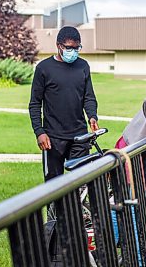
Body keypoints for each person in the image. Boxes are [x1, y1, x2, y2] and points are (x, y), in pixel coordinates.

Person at [29, 26, 99, 181]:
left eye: (77, 48)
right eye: (69, 48)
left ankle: (75, 207)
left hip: (79, 137)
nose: (73, 51)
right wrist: (39, 132)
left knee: (80, 182)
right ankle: (56, 207)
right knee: (53, 185)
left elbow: (89, 97)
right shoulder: (43, 68)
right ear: (58, 45)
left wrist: (92, 116)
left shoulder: (83, 66)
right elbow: (35, 103)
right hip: (52, 138)